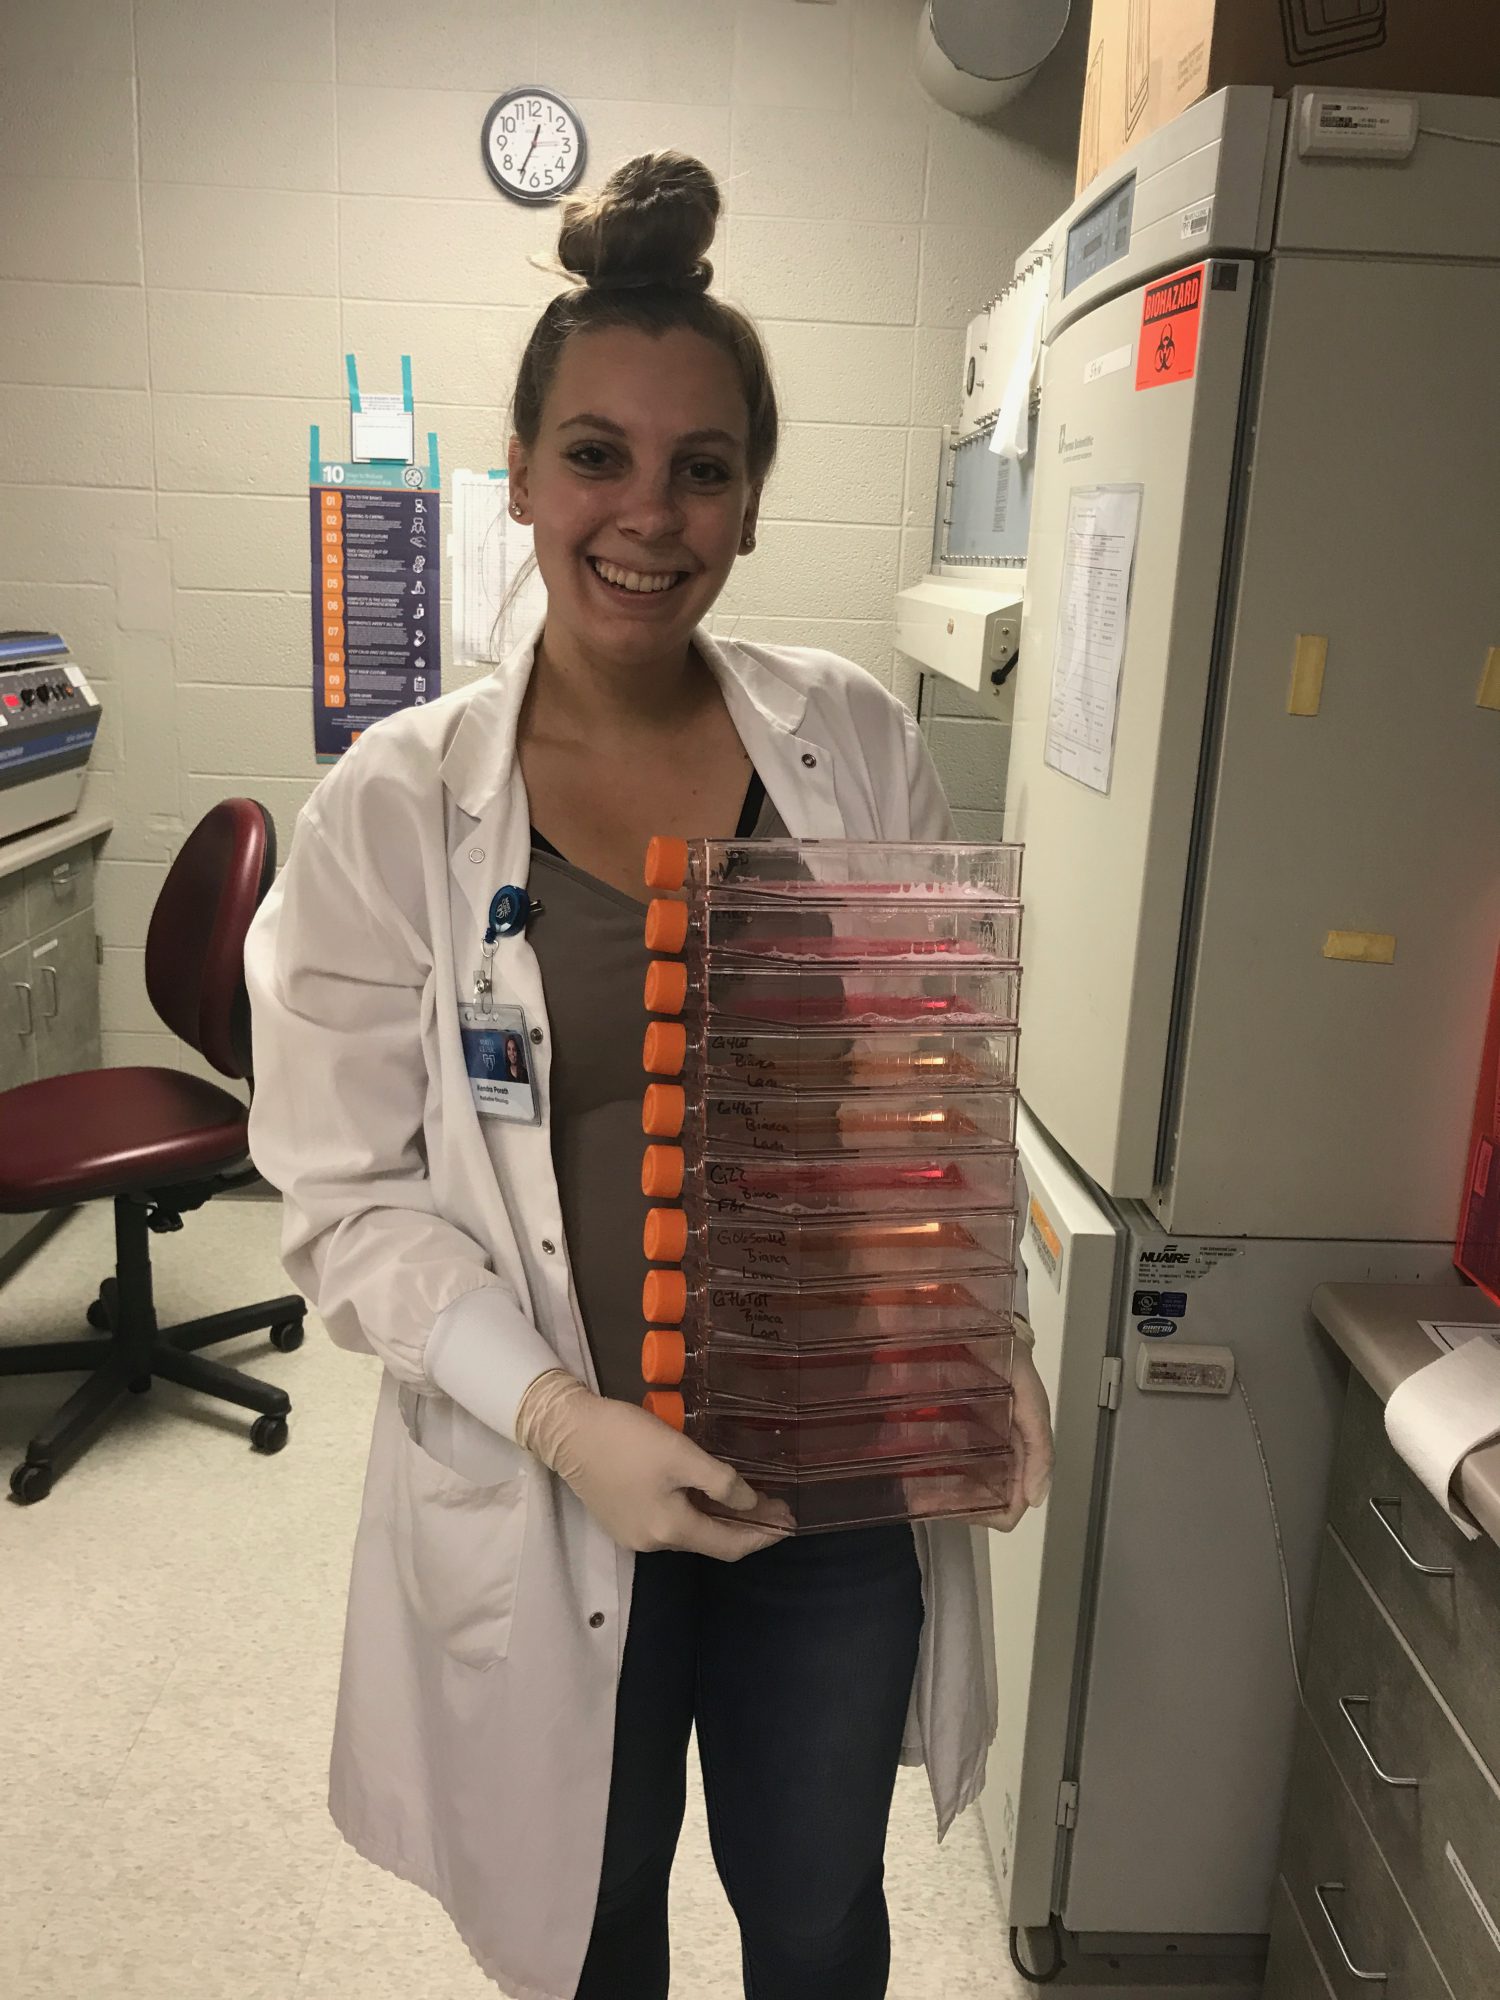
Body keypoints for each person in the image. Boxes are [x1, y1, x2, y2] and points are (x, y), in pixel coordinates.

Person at [244, 152, 1054, 2000]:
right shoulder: (398, 801)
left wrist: (970, 1333)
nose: (648, 513)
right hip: (554, 1478)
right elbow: (344, 1202)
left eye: (704, 467)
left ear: (753, 503)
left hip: (827, 1472)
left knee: (819, 1914)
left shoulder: (847, 735)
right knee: (590, 1930)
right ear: (520, 478)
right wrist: (559, 1422)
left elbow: (927, 1096)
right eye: (596, 454)